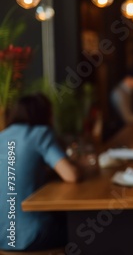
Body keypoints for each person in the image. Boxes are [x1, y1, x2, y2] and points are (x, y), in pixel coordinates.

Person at [0, 93, 80, 252]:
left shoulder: (2, 136)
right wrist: (80, 166)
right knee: (81, 227)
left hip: (3, 237)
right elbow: (71, 175)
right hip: (31, 236)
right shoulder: (39, 134)